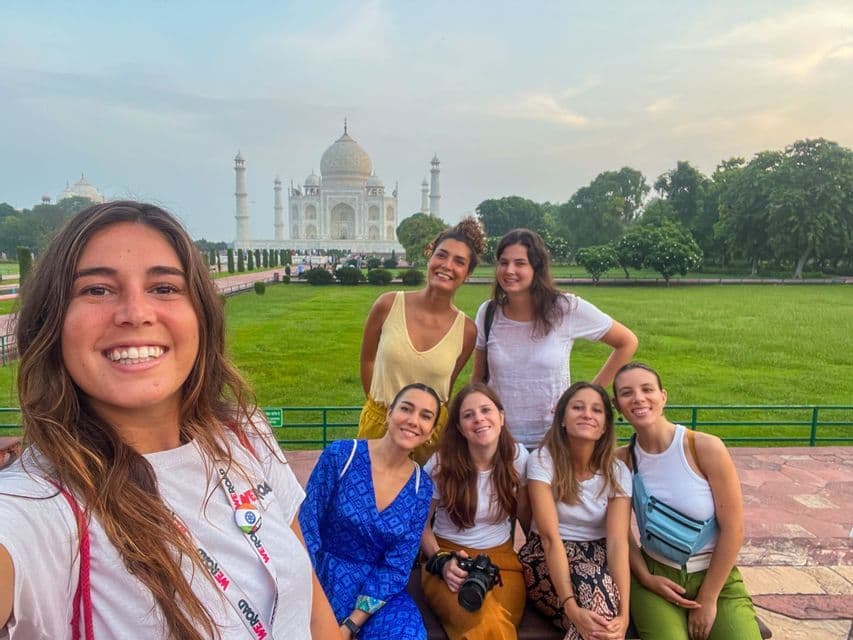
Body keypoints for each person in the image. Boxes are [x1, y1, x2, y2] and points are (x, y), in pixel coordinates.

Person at [0, 201, 338, 639]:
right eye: (97, 290)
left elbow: (308, 604)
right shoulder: (41, 505)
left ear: (200, 315)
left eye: (164, 287)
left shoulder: (243, 435)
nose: (136, 312)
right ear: (52, 321)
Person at [613, 362, 761, 640]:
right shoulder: (622, 460)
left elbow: (733, 528)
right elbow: (619, 532)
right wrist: (645, 577)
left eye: (647, 390)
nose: (639, 399)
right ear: (617, 405)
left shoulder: (703, 447)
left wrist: (708, 599)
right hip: (657, 575)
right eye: (626, 393)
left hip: (715, 576)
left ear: (663, 396)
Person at [471, 228, 637, 449]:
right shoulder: (489, 312)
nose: (509, 270)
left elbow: (626, 342)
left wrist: (586, 396)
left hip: (553, 441)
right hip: (499, 442)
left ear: (536, 268)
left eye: (520, 263)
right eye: (503, 262)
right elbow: (477, 379)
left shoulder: (564, 308)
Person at [299, 383, 440, 640]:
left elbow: (397, 564)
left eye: (425, 416)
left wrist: (352, 623)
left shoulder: (421, 488)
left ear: (430, 431)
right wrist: (309, 592)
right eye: (406, 409)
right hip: (319, 577)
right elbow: (306, 528)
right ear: (388, 414)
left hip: (378, 594)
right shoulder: (342, 456)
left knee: (407, 634)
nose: (413, 420)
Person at [357, 219, 484, 463]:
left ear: (467, 274)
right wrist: (380, 407)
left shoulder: (466, 330)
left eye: (459, 262)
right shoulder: (388, 304)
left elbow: (445, 389)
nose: (447, 266)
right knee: (370, 495)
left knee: (422, 497)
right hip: (379, 424)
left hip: (428, 435)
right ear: (430, 257)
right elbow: (368, 360)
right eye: (441, 255)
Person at [519, 382, 631, 640]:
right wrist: (570, 606)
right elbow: (549, 537)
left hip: (598, 558)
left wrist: (624, 616)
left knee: (599, 622)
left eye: (597, 410)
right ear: (562, 420)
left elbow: (616, 543)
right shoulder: (542, 461)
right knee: (597, 607)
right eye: (577, 407)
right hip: (546, 558)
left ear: (605, 426)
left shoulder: (617, 473)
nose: (587, 414)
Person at [420, 383, 531, 640]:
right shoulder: (441, 464)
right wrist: (441, 560)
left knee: (494, 619)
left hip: (502, 563)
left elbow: (526, 516)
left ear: (501, 417)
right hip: (449, 559)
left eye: (485, 410)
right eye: (468, 415)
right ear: (459, 428)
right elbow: (420, 524)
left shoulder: (517, 458)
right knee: (484, 621)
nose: (479, 419)